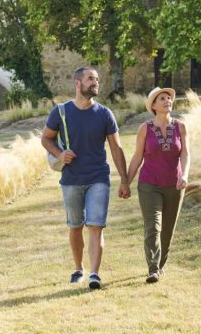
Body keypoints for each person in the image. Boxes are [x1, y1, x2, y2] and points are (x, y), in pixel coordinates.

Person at [41, 66, 131, 289]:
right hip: (71, 179)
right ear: (78, 83)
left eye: (97, 79)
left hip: (98, 177)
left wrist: (125, 179)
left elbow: (117, 149)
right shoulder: (60, 112)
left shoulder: (104, 114)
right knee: (75, 226)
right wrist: (60, 154)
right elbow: (46, 139)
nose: (95, 82)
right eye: (91, 79)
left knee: (95, 225)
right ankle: (78, 268)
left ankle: (94, 274)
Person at [126, 86, 190, 283]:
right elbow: (137, 157)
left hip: (174, 185)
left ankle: (161, 265)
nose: (167, 101)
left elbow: (185, 154)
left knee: (168, 229)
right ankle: (152, 269)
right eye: (162, 98)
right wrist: (125, 182)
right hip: (149, 184)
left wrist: (185, 175)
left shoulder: (180, 127)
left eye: (169, 98)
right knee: (153, 226)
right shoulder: (145, 129)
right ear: (153, 105)